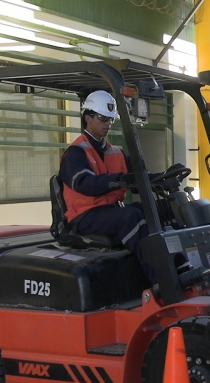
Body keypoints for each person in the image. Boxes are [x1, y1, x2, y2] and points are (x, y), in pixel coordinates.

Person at [58, 90, 156, 284]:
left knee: (153, 209)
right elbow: (84, 184)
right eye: (103, 118)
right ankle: (159, 278)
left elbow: (136, 180)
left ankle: (180, 266)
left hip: (107, 212)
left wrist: (163, 178)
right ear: (88, 118)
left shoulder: (115, 152)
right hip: (84, 216)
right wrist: (117, 179)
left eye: (111, 119)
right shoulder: (76, 153)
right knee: (130, 216)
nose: (108, 123)